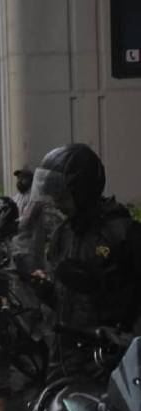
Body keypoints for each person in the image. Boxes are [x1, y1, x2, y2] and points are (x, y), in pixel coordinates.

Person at [20, 144, 141, 376]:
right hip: (64, 362)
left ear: (82, 190)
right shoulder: (63, 234)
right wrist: (46, 291)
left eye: (62, 193)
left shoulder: (122, 234)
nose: (55, 200)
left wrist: (125, 341)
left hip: (107, 365)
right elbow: (66, 300)